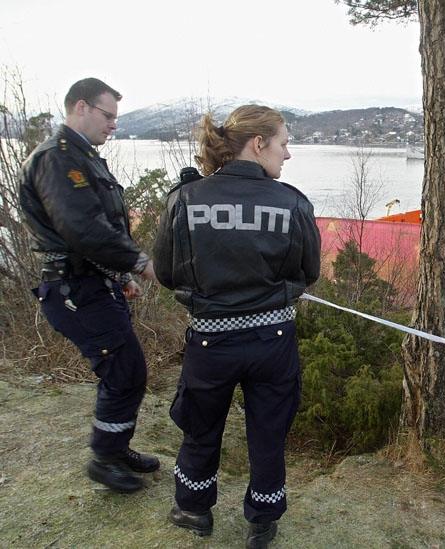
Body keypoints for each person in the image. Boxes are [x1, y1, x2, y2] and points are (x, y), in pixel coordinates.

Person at [153, 105, 321, 548]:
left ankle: (192, 509)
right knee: (268, 430)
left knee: (201, 426)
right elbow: (308, 271)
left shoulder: (185, 199)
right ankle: (262, 522)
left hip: (211, 342)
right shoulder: (293, 202)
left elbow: (168, 273)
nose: (288, 155)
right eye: (284, 143)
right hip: (273, 340)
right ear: (259, 142)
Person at [19, 77, 159, 493]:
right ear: (81, 107)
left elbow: (102, 226)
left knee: (127, 368)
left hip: (95, 283)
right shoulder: (58, 159)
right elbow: (83, 229)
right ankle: (103, 458)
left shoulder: (86, 157)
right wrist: (140, 262)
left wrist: (121, 277)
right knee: (123, 368)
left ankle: (115, 447)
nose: (114, 125)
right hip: (73, 288)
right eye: (108, 115)